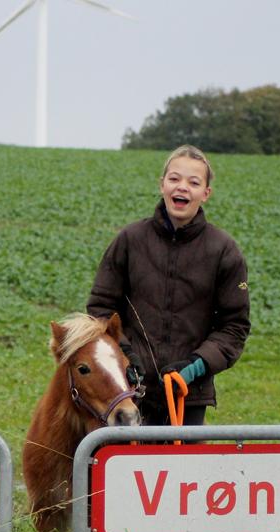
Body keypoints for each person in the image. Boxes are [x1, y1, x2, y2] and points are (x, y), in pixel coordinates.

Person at [86, 145, 250, 426]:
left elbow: (234, 327)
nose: (182, 187)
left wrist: (195, 366)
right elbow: (101, 309)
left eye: (194, 182)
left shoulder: (224, 250)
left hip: (189, 396)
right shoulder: (130, 239)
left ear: (206, 193)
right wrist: (126, 355)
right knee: (122, 469)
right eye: (174, 179)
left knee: (187, 471)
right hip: (127, 393)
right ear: (162, 185)